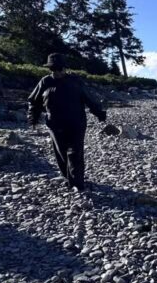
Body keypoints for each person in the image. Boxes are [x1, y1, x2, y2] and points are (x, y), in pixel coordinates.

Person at [27, 53, 106, 191]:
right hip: (55, 124)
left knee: (75, 153)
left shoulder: (75, 81)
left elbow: (89, 99)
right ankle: (68, 178)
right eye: (52, 69)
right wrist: (33, 119)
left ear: (64, 68)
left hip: (76, 123)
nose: (56, 72)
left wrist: (99, 113)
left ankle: (77, 184)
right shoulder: (45, 82)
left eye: (58, 68)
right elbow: (34, 102)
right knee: (61, 153)